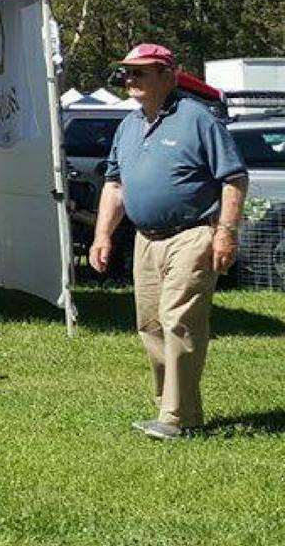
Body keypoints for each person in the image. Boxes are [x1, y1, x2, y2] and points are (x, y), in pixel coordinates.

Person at [89, 43, 249, 440]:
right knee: (151, 324)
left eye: (140, 72)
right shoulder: (128, 126)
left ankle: (177, 418)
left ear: (168, 75)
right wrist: (102, 234)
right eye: (127, 72)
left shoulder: (198, 120)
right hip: (145, 240)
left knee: (180, 320)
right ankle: (171, 408)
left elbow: (233, 178)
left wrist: (225, 233)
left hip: (192, 235)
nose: (130, 80)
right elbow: (115, 184)